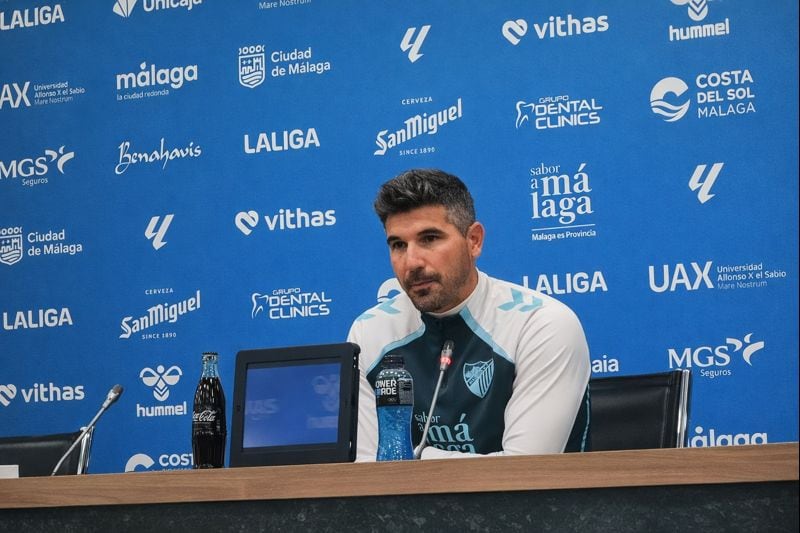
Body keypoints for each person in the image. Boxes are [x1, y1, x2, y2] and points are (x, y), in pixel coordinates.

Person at [347, 168, 591, 460]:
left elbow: (524, 472)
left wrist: (419, 459)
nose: (411, 262)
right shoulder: (370, 331)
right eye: (398, 245)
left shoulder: (542, 324)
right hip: (401, 507)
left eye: (429, 238)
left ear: (474, 240)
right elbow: (365, 473)